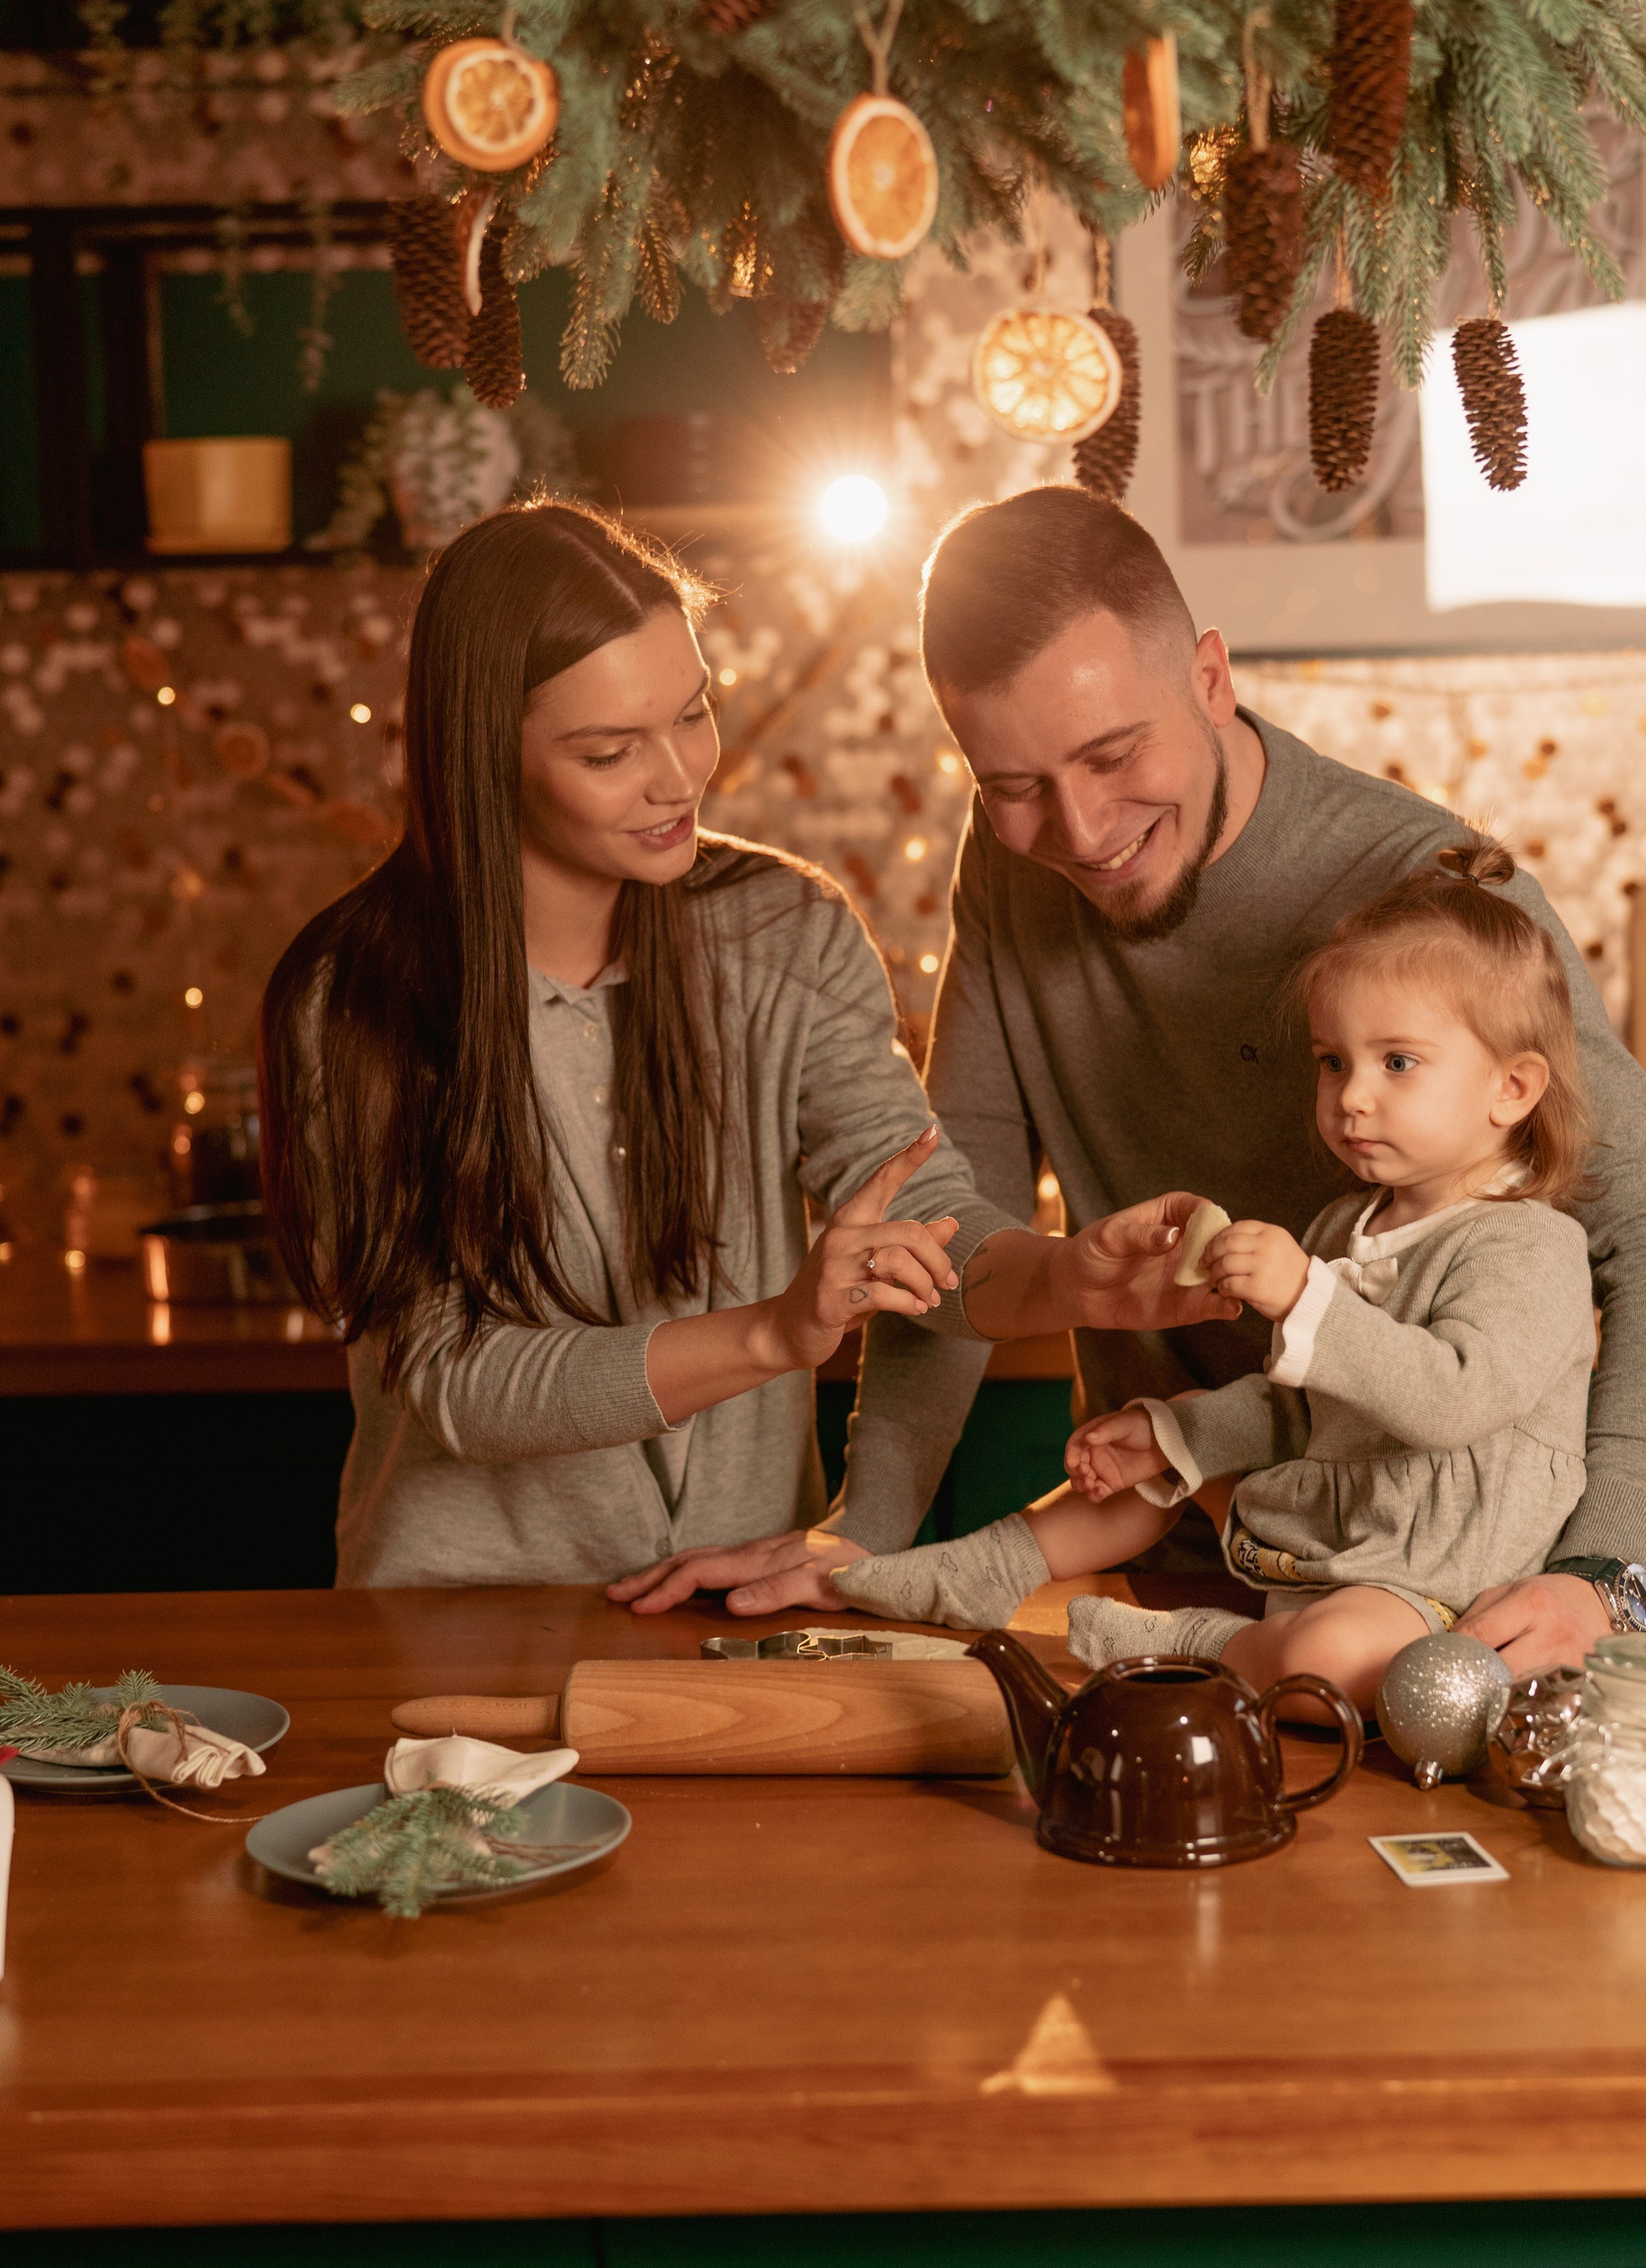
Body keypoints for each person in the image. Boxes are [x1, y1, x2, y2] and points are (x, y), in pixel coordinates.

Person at [611, 486, 1646, 1678]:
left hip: (1442, 1602)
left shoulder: (1432, 901)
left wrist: (1606, 1571)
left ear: (1210, 678)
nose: (1082, 829)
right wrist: (865, 1527)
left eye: (1113, 754)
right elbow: (949, 1228)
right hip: (1183, 1541)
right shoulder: (1015, 866)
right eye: (1011, 785)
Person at [258, 501, 1216, 1590]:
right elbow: (460, 1381)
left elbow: (917, 1209)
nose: (680, 777)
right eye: (610, 752)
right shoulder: (353, 999)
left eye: (694, 712)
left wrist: (1068, 1278)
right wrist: (772, 1335)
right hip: (449, 1626)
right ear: (485, 755)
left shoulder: (784, 931)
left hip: (734, 1606)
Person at [833, 843, 1597, 1719]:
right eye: (1332, 1061)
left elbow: (1452, 1402)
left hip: (1446, 1583)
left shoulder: (1530, 1247)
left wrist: (1307, 1297)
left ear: (1511, 1087)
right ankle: (982, 1568)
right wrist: (1175, 1428)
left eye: (1396, 1063)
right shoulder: (1348, 1227)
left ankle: (1191, 1643)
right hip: (1352, 1541)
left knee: (1329, 1665)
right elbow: (1306, 1409)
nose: (1350, 1097)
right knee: (1158, 1461)